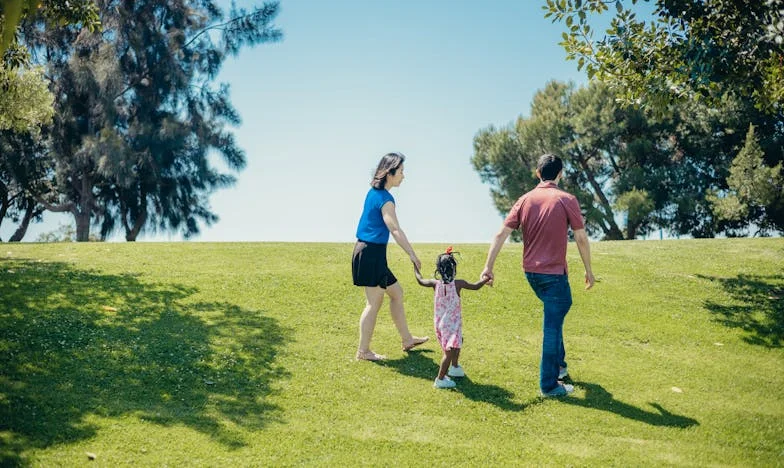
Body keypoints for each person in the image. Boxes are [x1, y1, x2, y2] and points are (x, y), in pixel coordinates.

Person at [481, 154, 595, 397]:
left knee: (556, 313)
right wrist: (588, 270)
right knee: (554, 322)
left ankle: (560, 367)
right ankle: (549, 385)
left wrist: (488, 267)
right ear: (560, 174)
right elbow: (582, 238)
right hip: (553, 275)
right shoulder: (567, 199)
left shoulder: (524, 200)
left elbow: (501, 234)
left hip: (531, 274)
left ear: (537, 173)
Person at [352, 152, 429, 361]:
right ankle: (363, 351)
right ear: (390, 172)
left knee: (396, 293)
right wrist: (412, 254)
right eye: (401, 171)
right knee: (373, 303)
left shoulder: (374, 193)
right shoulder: (385, 199)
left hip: (371, 252)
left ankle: (407, 339)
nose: (403, 176)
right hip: (370, 253)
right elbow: (394, 229)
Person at [415, 246, 488, 389]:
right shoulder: (458, 284)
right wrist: (486, 279)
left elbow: (420, 280)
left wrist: (415, 267)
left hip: (442, 324)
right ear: (454, 269)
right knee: (448, 352)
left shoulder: (435, 284)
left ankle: (454, 368)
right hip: (451, 325)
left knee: (459, 341)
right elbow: (476, 286)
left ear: (439, 270)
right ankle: (440, 379)